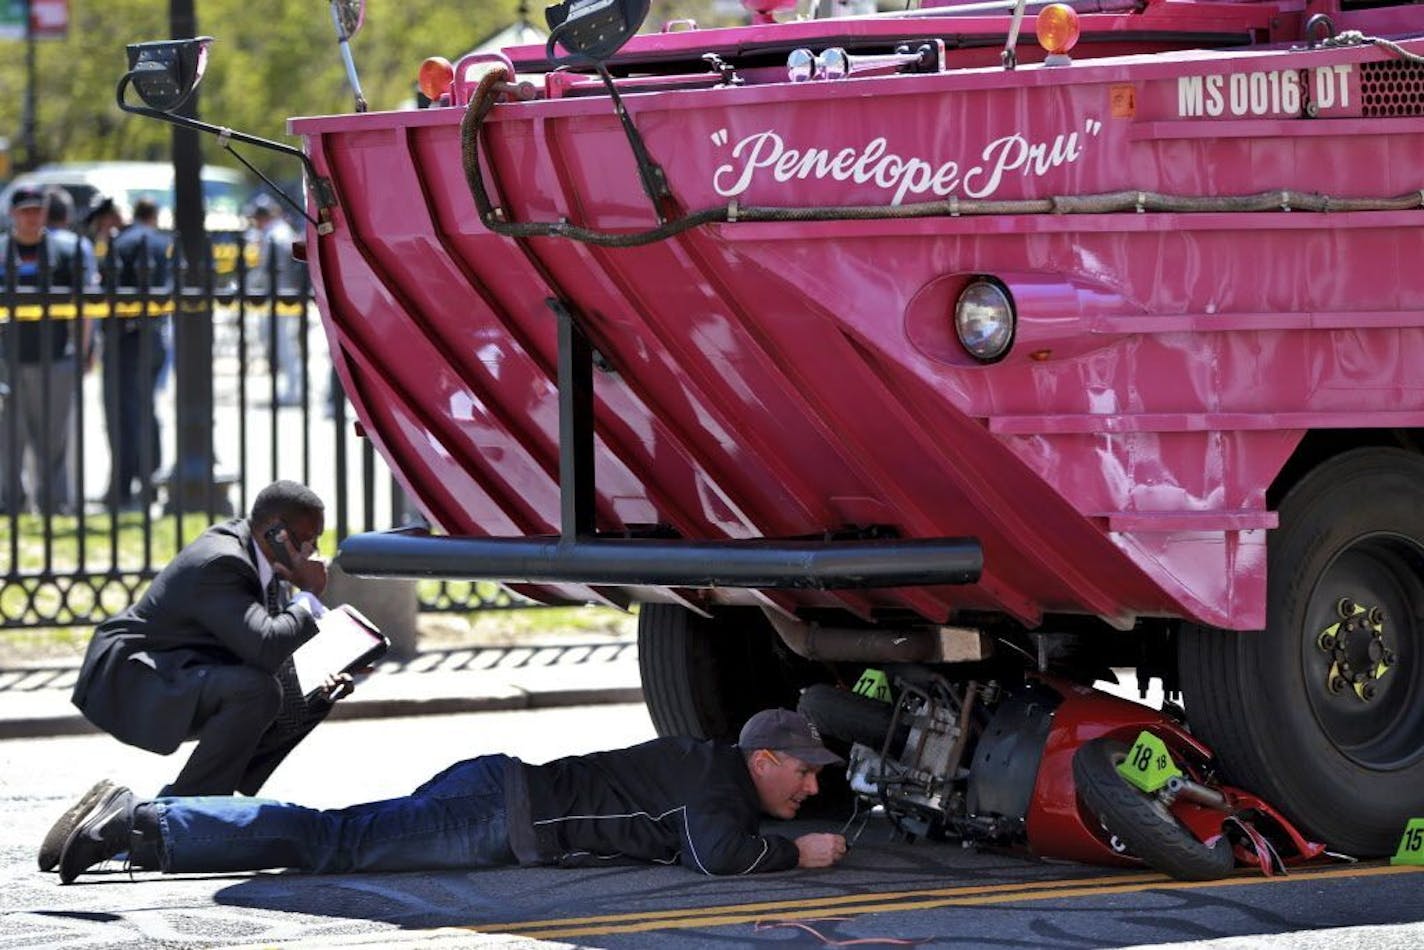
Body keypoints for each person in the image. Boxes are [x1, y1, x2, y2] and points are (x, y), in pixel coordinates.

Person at [48, 707, 849, 885]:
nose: (810, 788)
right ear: (765, 758)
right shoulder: (715, 783)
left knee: (344, 834)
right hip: (493, 816)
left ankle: (149, 821)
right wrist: (799, 853)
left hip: (494, 791)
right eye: (804, 772)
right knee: (331, 843)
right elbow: (718, 855)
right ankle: (146, 825)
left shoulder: (703, 763)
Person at [62, 481, 351, 816]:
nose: (314, 552)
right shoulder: (222, 562)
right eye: (309, 540)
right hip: (133, 677)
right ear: (278, 534)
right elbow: (266, 646)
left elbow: (268, 643)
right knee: (256, 691)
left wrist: (328, 674)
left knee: (298, 693)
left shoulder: (261, 557)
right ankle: (160, 823)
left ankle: (189, 812)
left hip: (181, 667)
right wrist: (310, 593)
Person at [0, 184, 94, 515]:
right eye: (25, 210)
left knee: (54, 440)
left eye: (37, 209)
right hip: (7, 360)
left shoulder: (66, 253)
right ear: (12, 213)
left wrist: (83, 352)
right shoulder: (1, 251)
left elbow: (85, 308)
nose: (31, 217)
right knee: (8, 437)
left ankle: (55, 504)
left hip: (55, 358)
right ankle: (10, 504)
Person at [100, 197, 170, 508]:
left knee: (122, 413)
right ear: (153, 216)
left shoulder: (122, 242)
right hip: (154, 336)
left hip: (124, 339)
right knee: (147, 410)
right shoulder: (163, 242)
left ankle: (123, 485)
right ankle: (151, 479)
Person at [243, 193, 306, 407]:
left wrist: (248, 287)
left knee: (283, 345)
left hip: (281, 294)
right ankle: (294, 387)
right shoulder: (283, 231)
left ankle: (294, 389)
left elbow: (264, 269)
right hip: (286, 293)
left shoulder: (273, 234)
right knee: (284, 343)